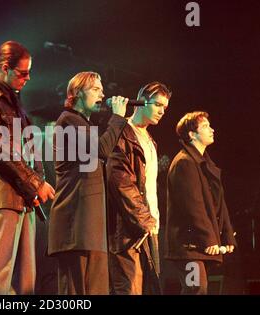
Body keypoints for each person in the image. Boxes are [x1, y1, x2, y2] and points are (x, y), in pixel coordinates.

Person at [0, 40, 55, 294]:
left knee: (25, 282)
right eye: (23, 73)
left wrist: (35, 184)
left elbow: (29, 146)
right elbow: (0, 153)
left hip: (21, 197)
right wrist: (36, 183)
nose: (28, 78)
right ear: (4, 68)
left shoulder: (12, 102)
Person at [47, 72, 128, 295]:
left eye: (102, 89)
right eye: (95, 89)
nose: (102, 93)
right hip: (76, 227)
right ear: (77, 93)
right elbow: (100, 151)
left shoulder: (83, 123)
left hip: (89, 227)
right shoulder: (69, 120)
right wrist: (118, 118)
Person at [106, 82, 172, 295]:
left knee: (149, 288)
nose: (162, 111)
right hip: (129, 229)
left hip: (148, 226)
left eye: (165, 107)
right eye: (158, 104)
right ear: (141, 102)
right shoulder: (123, 133)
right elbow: (120, 181)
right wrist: (144, 220)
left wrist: (151, 222)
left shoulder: (150, 140)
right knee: (129, 288)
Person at [165, 111, 237, 294]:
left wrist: (227, 236)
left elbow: (219, 204)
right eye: (205, 126)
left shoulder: (203, 164)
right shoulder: (184, 163)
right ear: (191, 134)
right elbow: (193, 207)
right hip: (189, 245)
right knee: (196, 288)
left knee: (197, 289)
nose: (211, 129)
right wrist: (209, 239)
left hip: (198, 244)